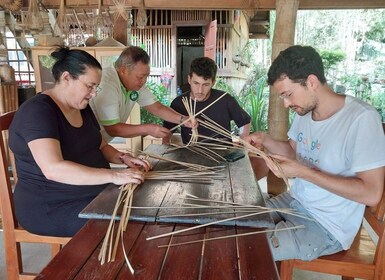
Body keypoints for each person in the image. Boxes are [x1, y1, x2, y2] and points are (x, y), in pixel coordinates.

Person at [245, 45, 385, 261]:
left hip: (327, 224)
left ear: (311, 82)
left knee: (249, 252)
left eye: (288, 94)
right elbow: (293, 153)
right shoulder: (305, 111)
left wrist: (303, 172)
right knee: (238, 223)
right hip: (294, 201)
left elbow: (371, 194)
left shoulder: (361, 119)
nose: (286, 103)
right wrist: (265, 140)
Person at [9, 47, 150, 237]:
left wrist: (123, 158)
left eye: (96, 88)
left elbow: (101, 146)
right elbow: (53, 169)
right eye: (90, 86)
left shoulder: (81, 107)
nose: (93, 93)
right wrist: (114, 176)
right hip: (52, 206)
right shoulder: (38, 112)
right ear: (67, 77)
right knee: (128, 226)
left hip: (90, 193)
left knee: (144, 206)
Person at [90, 46, 194, 143]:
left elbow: (157, 108)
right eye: (140, 77)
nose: (144, 81)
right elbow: (113, 129)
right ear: (123, 71)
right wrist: (148, 129)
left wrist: (183, 119)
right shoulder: (107, 82)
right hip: (87, 143)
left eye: (146, 76)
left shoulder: (135, 84)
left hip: (100, 143)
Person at [163, 57, 251, 144]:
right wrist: (165, 146)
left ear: (213, 82)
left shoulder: (225, 100)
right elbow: (167, 131)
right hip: (190, 154)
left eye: (206, 84)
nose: (200, 90)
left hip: (224, 154)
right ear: (189, 79)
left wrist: (243, 141)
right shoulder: (179, 103)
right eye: (196, 83)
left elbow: (244, 122)